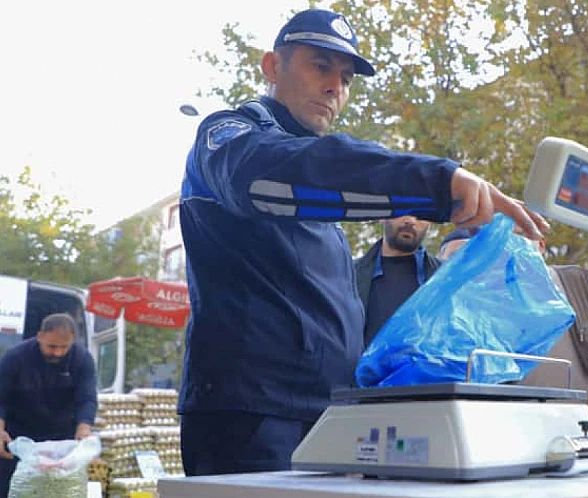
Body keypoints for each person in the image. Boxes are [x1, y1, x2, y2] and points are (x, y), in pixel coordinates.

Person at [177, 7, 549, 476]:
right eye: (320, 66)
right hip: (250, 417)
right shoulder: (228, 137)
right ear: (273, 67)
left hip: (329, 416)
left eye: (347, 77)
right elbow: (273, 175)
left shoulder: (316, 193)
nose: (336, 87)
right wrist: (439, 182)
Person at [437, 229, 588, 441]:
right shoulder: (489, 295)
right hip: (526, 425)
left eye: (523, 233)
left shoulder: (575, 282)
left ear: (541, 245)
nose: (515, 243)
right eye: (508, 235)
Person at [0, 313, 97, 497]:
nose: (57, 353)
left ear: (72, 341)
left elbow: (87, 399)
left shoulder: (82, 359)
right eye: (52, 346)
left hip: (62, 444)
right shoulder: (14, 358)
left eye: (64, 347)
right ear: (39, 336)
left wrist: (84, 428)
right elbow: (1, 397)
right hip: (18, 442)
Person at [354, 216, 442, 346]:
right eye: (404, 210)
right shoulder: (347, 275)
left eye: (421, 214)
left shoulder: (445, 278)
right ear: (383, 216)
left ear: (430, 223)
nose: (411, 221)